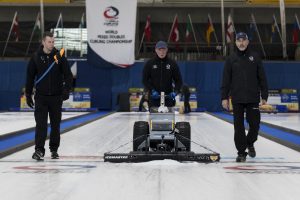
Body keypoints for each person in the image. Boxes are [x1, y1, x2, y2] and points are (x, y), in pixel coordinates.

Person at [221, 32, 268, 162]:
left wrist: (264, 95)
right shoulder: (231, 59)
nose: (241, 43)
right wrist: (224, 97)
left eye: (243, 40)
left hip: (253, 98)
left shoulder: (255, 57)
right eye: (238, 40)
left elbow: (262, 77)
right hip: (237, 98)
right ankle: (241, 152)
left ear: (247, 42)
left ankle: (250, 142)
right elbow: (226, 80)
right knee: (239, 127)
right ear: (235, 42)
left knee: (255, 125)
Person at [25, 31, 73, 160]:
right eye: (49, 42)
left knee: (55, 125)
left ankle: (54, 149)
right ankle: (39, 150)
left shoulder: (60, 56)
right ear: (43, 42)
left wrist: (66, 90)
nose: (52, 44)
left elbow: (68, 75)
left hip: (56, 97)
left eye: (53, 42)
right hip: (41, 97)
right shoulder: (35, 57)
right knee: (41, 124)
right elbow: (30, 77)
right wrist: (28, 95)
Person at [143, 41, 182, 108]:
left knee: (169, 118)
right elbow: (145, 80)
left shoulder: (172, 63)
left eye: (163, 49)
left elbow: (178, 80)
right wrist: (152, 90)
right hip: (154, 98)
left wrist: (175, 91)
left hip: (168, 98)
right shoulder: (150, 63)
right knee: (154, 118)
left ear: (167, 50)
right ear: (156, 50)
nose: (162, 52)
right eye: (159, 49)